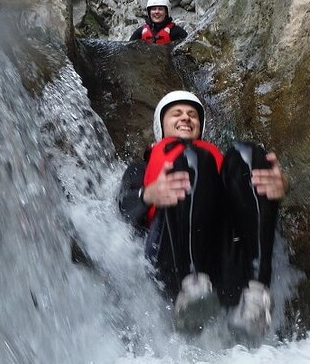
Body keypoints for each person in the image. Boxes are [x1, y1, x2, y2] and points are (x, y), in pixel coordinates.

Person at [118, 90, 287, 336]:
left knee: (247, 153)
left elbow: (250, 206)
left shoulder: (218, 165)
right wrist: (149, 195)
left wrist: (278, 186)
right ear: (160, 126)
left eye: (192, 115)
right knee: (192, 159)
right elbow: (124, 205)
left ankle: (257, 294)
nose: (186, 118)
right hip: (172, 260)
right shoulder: (140, 169)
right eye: (177, 113)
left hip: (227, 262)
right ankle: (193, 288)